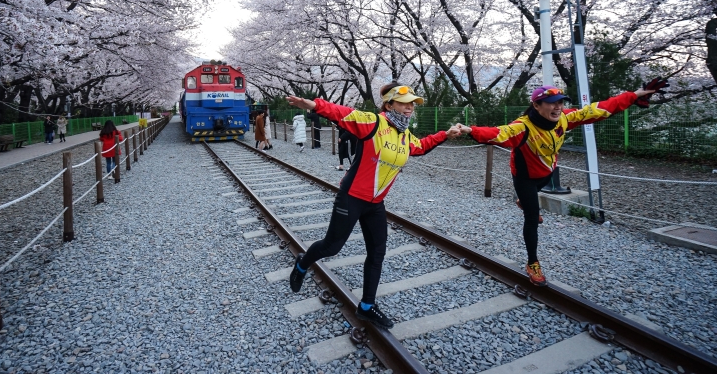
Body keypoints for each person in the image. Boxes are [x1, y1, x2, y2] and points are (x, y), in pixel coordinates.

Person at [448, 79, 669, 287]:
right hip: (524, 177)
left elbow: (599, 109)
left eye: (561, 103)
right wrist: (470, 130)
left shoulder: (564, 118)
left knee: (533, 197)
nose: (558, 108)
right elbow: (498, 133)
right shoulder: (522, 127)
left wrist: (635, 95)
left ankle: (525, 201)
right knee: (532, 218)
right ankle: (532, 262)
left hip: (547, 173)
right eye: (552, 104)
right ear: (536, 105)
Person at [286, 83, 453, 329]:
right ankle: (302, 263)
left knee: (377, 253)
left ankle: (366, 306)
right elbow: (342, 113)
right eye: (404, 103)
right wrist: (314, 105)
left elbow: (420, 147)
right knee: (331, 247)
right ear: (389, 104)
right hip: (352, 197)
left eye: (412, 104)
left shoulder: (405, 134)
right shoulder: (373, 122)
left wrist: (445, 135)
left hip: (375, 203)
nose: (409, 108)